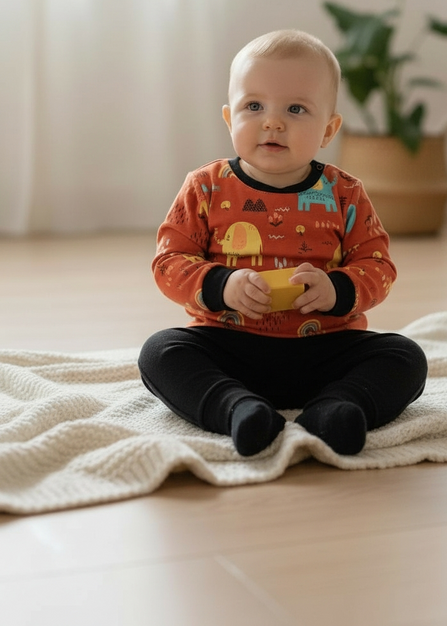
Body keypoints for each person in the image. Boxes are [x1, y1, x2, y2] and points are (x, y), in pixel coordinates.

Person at [138, 29, 427, 456]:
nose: (272, 122)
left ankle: (336, 408)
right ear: (228, 118)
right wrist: (223, 286)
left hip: (325, 347)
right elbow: (169, 262)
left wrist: (336, 289)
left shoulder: (344, 193)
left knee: (405, 356)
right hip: (228, 342)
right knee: (160, 352)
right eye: (253, 106)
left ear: (328, 130)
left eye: (296, 108)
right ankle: (238, 409)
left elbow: (378, 267)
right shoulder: (205, 187)